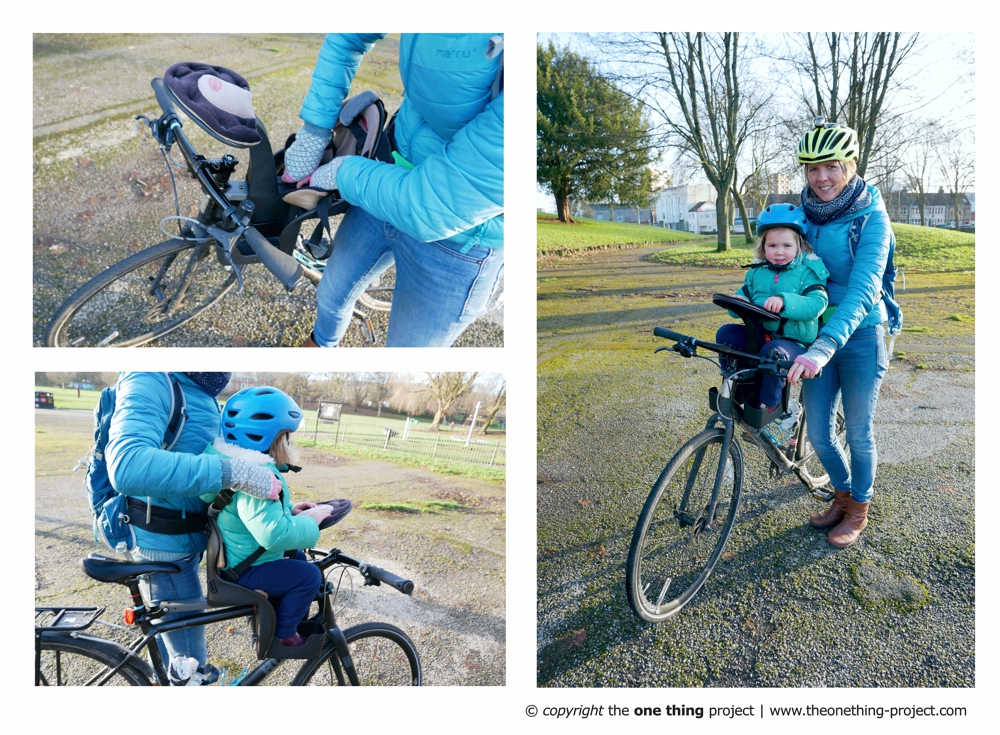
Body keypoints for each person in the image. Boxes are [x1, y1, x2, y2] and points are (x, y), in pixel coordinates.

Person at [282, 33, 504, 348]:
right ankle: (320, 344)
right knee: (330, 295)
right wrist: (315, 131)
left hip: (460, 241)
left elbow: (431, 209)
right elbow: (348, 35)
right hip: (384, 176)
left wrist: (341, 173)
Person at [105, 372, 286, 681]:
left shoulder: (202, 390)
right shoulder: (152, 378)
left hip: (188, 541)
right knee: (191, 669)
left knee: (171, 653)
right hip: (163, 547)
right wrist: (234, 472)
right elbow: (127, 464)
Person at [786, 120, 892, 548]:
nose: (822, 178)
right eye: (812, 169)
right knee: (818, 435)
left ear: (850, 165)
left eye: (831, 166)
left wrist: (826, 346)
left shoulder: (872, 218)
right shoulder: (802, 218)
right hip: (816, 340)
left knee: (859, 433)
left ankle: (859, 509)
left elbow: (866, 288)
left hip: (861, 337)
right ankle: (842, 494)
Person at [201, 387, 348, 647]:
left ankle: (272, 618)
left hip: (238, 556)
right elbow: (273, 535)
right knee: (309, 576)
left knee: (298, 557)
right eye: (286, 437)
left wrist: (291, 512)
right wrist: (310, 520)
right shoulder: (257, 479)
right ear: (272, 439)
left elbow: (250, 519)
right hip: (244, 570)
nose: (289, 443)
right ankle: (283, 635)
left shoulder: (234, 467)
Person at [715, 204, 829, 424]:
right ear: (763, 247)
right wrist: (736, 302)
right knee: (726, 334)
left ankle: (770, 404)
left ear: (799, 245)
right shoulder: (757, 272)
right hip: (758, 334)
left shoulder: (808, 272)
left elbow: (818, 303)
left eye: (787, 245)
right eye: (772, 245)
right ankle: (738, 384)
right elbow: (744, 293)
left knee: (773, 352)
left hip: (793, 342)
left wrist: (785, 300)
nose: (779, 252)